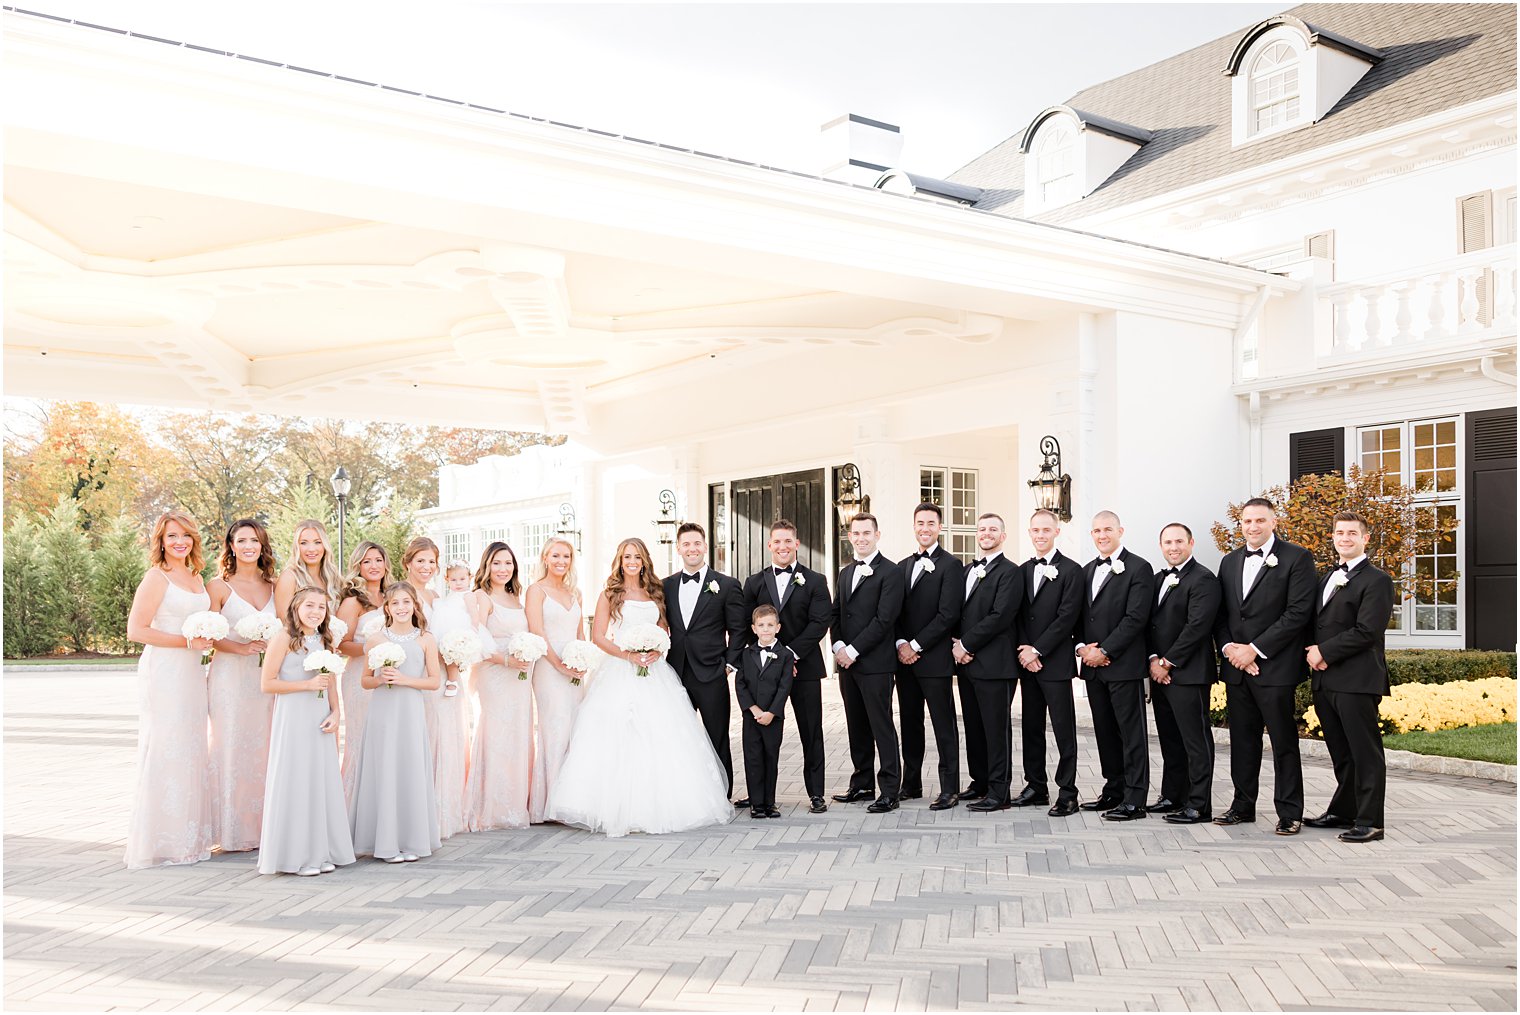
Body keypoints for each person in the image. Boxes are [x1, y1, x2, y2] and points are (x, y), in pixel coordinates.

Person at [546, 538, 732, 836]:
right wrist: (629, 654)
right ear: (619, 561)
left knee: (661, 734)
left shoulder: (655, 592)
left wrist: (657, 651)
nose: (632, 561)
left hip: (655, 670)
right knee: (619, 735)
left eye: (637, 556)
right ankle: (613, 806)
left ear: (645, 560)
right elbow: (599, 636)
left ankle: (663, 803)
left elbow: (664, 629)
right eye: (626, 556)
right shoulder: (610, 594)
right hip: (620, 669)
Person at [1213, 497, 1316, 835]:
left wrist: (1255, 650)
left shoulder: (1297, 557)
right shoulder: (1228, 562)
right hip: (1237, 669)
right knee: (1242, 741)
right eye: (1247, 521)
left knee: (1284, 741)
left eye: (1260, 521)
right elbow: (1223, 614)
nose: (1253, 527)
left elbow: (1298, 613)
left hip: (1275, 668)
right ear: (1240, 525)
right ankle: (1243, 806)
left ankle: (1289, 811)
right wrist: (1231, 649)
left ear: (1274, 522)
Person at [123, 510, 217, 869]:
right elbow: (137, 630)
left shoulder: (196, 577)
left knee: (192, 745)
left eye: (186, 536)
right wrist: (186, 641)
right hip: (165, 670)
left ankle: (188, 837)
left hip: (193, 671)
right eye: (172, 536)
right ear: (160, 541)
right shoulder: (156, 577)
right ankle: (162, 839)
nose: (180, 542)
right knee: (167, 744)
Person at [1304, 512, 1395, 843]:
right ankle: (1344, 810)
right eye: (1339, 532)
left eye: (1352, 533)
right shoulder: (1326, 576)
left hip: (1357, 680)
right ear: (1333, 537)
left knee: (1365, 752)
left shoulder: (1377, 580)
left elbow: (1367, 631)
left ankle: (1371, 820)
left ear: (1365, 539)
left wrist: (1323, 652)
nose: (1344, 538)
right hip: (1325, 681)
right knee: (1341, 752)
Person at [257, 587, 355, 876]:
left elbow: (331, 682)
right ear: (296, 608)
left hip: (320, 716)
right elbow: (268, 684)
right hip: (293, 717)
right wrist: (306, 686)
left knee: (319, 781)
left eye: (322, 607)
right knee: (297, 779)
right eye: (309, 605)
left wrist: (336, 712)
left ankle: (320, 850)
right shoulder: (283, 638)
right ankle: (296, 856)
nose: (316, 612)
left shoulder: (324, 640)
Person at [741, 519, 833, 814]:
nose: (782, 546)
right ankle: (760, 797)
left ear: (797, 544)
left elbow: (821, 622)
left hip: (803, 666)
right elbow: (745, 624)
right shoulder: (754, 583)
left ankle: (816, 793)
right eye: (777, 541)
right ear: (770, 545)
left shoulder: (816, 580)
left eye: (788, 541)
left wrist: (789, 654)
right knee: (760, 735)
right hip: (764, 674)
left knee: (811, 731)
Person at [350, 582, 442, 863]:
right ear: (387, 608)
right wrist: (379, 679)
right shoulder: (376, 639)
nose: (401, 608)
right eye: (395, 603)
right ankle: (385, 843)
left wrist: (405, 680)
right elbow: (365, 680)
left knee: (409, 767)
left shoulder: (426, 638)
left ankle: (412, 840)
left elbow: (434, 681)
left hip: (411, 711)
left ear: (415, 605)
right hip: (383, 712)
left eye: (406, 602)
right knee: (386, 767)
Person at [1076, 510, 1155, 821]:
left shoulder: (1139, 568)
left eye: (1107, 529)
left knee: (1131, 733)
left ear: (1120, 530)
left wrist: (1106, 650)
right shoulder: (1085, 572)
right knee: (1105, 731)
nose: (1102, 535)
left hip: (1123, 665)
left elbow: (1136, 618)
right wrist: (1082, 648)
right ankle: (1114, 789)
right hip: (1094, 667)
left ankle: (1136, 798)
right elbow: (1079, 617)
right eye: (1096, 531)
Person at [206, 517, 277, 853]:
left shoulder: (275, 586)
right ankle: (232, 830)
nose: (249, 546)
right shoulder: (219, 587)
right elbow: (209, 634)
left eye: (254, 540)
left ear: (262, 546)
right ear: (231, 546)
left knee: (265, 748)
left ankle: (265, 826)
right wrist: (242, 647)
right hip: (230, 679)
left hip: (266, 681)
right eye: (241, 540)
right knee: (231, 747)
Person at [662, 522, 746, 801]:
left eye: (697, 543)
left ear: (705, 546)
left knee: (717, 736)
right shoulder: (665, 586)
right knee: (680, 736)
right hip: (676, 672)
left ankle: (722, 793)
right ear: (678, 548)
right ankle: (685, 793)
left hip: (712, 672)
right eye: (686, 544)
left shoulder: (726, 585)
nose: (692, 549)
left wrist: (730, 663)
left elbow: (738, 629)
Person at [1145, 522, 1222, 824]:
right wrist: (1153, 659)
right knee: (1170, 739)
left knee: (1195, 741)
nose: (1173, 547)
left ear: (1191, 543)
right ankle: (1172, 795)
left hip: (1188, 673)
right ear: (1161, 546)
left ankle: (1199, 804)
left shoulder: (1203, 579)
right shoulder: (1156, 579)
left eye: (1179, 541)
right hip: (1159, 672)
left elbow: (1197, 627)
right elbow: (1147, 624)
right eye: (1167, 542)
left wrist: (1167, 662)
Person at [830, 512, 905, 812]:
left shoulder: (891, 572)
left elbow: (884, 619)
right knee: (855, 725)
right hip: (847, 664)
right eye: (856, 533)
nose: (861, 538)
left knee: (881, 725)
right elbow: (836, 613)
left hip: (875, 663)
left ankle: (889, 790)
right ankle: (861, 783)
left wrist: (854, 650)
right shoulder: (845, 572)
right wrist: (837, 645)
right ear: (850, 537)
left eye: (866, 533)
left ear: (877, 535)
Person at [1013, 508, 1086, 817]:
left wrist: (1037, 650)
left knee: (1063, 729)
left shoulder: (1071, 571)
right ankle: (1036, 786)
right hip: (1026, 664)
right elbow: (1015, 615)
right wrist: (1023, 651)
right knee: (1031, 727)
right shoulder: (1022, 570)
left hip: (1053, 663)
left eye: (1046, 530)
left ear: (1057, 532)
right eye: (1035, 530)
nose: (1040, 535)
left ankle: (1068, 793)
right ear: (1029, 533)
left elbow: (1067, 617)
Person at [894, 502, 965, 810]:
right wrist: (900, 643)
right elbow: (894, 612)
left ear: (940, 527)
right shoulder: (901, 566)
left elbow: (948, 614)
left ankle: (950, 787)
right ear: (914, 527)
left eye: (930, 523)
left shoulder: (951, 565)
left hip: (934, 660)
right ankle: (911, 783)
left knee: (943, 724)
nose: (925, 528)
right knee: (910, 723)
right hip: (904, 662)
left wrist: (916, 645)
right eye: (920, 523)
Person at [954, 512, 1023, 812]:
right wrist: (955, 645)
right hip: (966, 662)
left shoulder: (1011, 572)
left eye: (993, 529)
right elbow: (956, 611)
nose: (986, 533)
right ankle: (979, 781)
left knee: (996, 729)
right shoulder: (967, 569)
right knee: (974, 725)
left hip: (995, 664)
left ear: (1002, 536)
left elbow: (1000, 616)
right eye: (982, 529)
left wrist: (966, 644)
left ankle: (999, 791)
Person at [463, 541, 535, 831]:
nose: (503, 569)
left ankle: (514, 806)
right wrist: (506, 660)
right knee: (495, 733)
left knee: (518, 733)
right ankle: (489, 808)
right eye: (496, 563)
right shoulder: (480, 596)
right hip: (494, 673)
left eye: (508, 563)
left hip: (519, 677)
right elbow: (475, 640)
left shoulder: (517, 597)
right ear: (487, 566)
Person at [526, 536, 587, 823]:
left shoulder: (576, 593)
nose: (561, 561)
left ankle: (571, 800)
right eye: (556, 556)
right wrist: (560, 666)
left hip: (574, 669)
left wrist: (582, 660)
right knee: (554, 729)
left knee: (575, 729)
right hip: (549, 670)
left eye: (566, 556)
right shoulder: (536, 591)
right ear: (545, 558)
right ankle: (548, 803)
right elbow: (538, 632)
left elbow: (580, 634)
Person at [334, 541, 391, 802]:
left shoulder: (391, 596)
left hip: (389, 677)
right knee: (362, 739)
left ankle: (380, 805)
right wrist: (371, 647)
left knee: (385, 740)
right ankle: (352, 806)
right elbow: (341, 645)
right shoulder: (352, 601)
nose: (373, 566)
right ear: (358, 566)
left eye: (378, 560)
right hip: (359, 677)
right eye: (367, 561)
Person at [736, 605, 796, 819]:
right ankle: (756, 803)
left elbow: (784, 686)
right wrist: (753, 709)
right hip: (751, 717)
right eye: (761, 625)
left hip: (773, 717)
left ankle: (769, 803)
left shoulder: (786, 655)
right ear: (753, 628)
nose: (766, 629)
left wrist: (771, 712)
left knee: (771, 758)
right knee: (753, 759)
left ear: (778, 627)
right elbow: (740, 684)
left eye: (770, 625)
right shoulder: (746, 654)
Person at [272, 519, 341, 617]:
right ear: (297, 547)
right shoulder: (289, 577)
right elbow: (285, 622)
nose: (311, 549)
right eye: (304, 543)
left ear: (325, 545)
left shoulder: (334, 577)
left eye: (317, 542)